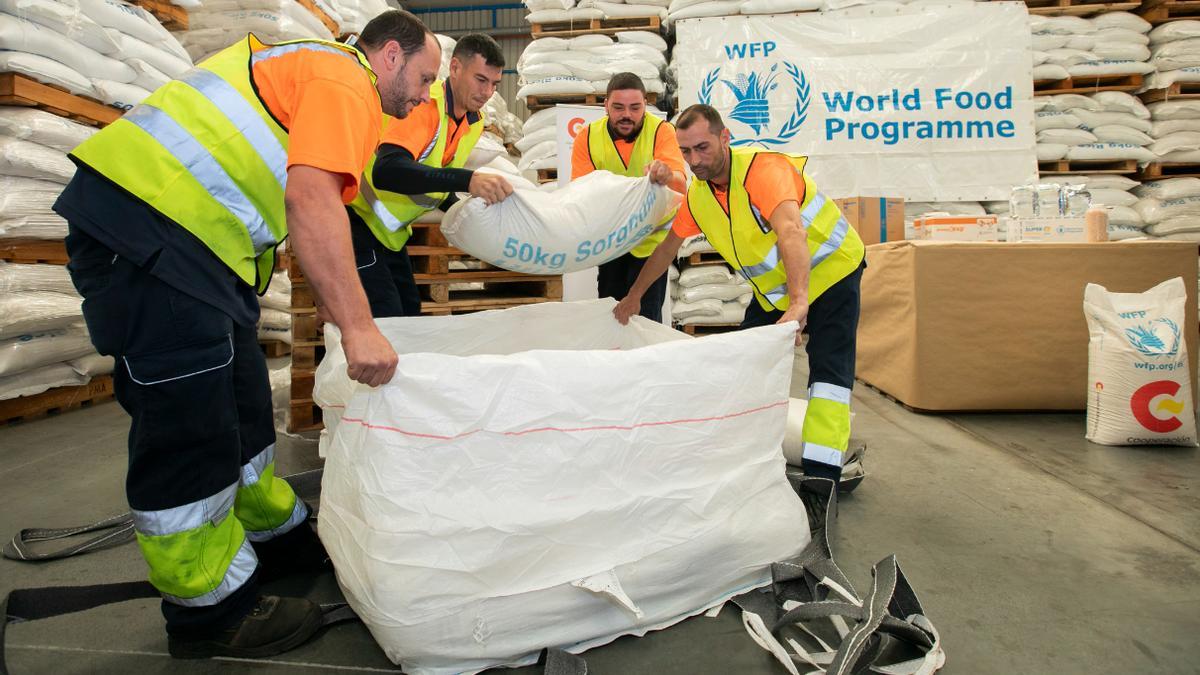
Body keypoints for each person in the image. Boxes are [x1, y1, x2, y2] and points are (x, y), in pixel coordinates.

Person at [51, 10, 440, 660]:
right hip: (154, 227)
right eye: (426, 78)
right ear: (392, 55)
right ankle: (211, 609)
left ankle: (271, 534)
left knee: (243, 405)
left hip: (194, 244)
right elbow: (312, 199)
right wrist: (360, 329)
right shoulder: (348, 78)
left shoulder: (320, 73)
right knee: (191, 420)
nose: (426, 95)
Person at [613, 104, 865, 484]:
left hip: (832, 272)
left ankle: (821, 477)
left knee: (827, 374)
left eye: (702, 148)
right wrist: (633, 297)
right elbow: (666, 249)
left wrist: (800, 303)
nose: (694, 160)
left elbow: (791, 231)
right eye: (685, 151)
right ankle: (747, 455)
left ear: (724, 138)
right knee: (746, 359)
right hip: (777, 291)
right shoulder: (699, 196)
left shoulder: (763, 171)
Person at [348, 33, 513, 317]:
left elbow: (433, 178)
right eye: (480, 80)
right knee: (387, 317)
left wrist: (473, 211)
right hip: (357, 222)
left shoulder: (473, 122)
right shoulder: (426, 105)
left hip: (391, 233)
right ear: (455, 68)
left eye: (495, 84)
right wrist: (468, 180)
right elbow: (387, 170)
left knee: (410, 312)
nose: (487, 93)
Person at [571, 72, 685, 322]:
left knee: (646, 319)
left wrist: (666, 174)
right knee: (611, 318)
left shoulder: (662, 131)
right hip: (610, 245)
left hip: (650, 247)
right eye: (618, 107)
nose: (627, 115)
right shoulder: (588, 137)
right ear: (605, 106)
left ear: (645, 104)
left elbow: (681, 182)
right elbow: (580, 192)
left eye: (635, 108)